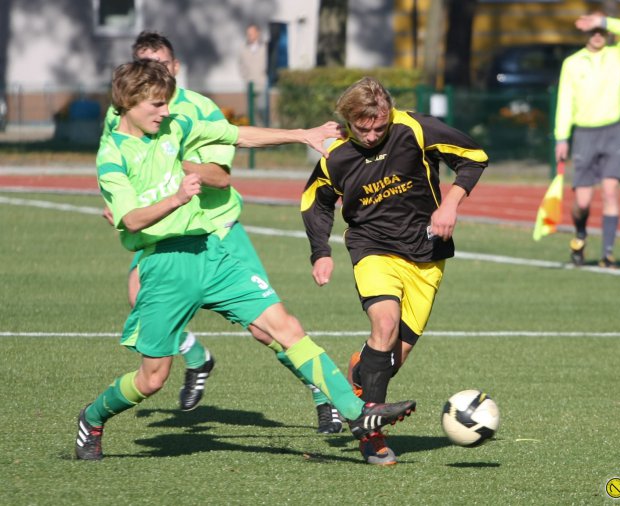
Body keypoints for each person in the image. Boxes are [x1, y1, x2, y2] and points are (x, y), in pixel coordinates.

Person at [74, 60, 416, 461]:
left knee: (286, 328)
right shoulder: (112, 154)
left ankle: (357, 414)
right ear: (129, 101)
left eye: (167, 102)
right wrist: (177, 198)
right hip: (165, 266)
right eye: (157, 104)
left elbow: (238, 135)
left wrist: (301, 135)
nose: (166, 111)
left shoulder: (175, 126)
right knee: (152, 378)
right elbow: (130, 219)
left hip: (212, 252)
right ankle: (92, 418)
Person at [101, 31, 344, 434]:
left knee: (265, 328)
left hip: (216, 228)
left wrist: (173, 166)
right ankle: (197, 358)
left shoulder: (197, 109)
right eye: (144, 64)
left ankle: (322, 394)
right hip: (166, 234)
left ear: (175, 66)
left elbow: (221, 177)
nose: (154, 71)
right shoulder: (124, 113)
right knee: (135, 294)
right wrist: (119, 202)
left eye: (160, 63)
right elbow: (120, 166)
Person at [300, 77, 488, 465]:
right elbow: (315, 201)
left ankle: (353, 381)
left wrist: (450, 204)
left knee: (389, 361)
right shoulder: (336, 156)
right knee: (383, 325)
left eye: (379, 128)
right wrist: (321, 252)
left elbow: (474, 156)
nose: (371, 136)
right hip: (372, 247)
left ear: (390, 114)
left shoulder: (415, 128)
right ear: (348, 120)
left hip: (426, 255)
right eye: (362, 129)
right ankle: (371, 436)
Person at [554, 12, 620, 268]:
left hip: (613, 132)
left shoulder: (618, 55)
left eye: (601, 31)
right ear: (585, 35)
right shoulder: (572, 63)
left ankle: (607, 254)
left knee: (611, 192)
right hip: (584, 134)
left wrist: (602, 21)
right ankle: (580, 234)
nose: (598, 35)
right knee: (582, 202)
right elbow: (565, 101)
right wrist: (561, 137)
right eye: (593, 31)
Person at [238, 23, 268, 125]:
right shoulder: (243, 49)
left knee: (262, 108)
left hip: (262, 82)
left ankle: (265, 129)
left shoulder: (265, 48)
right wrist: (245, 77)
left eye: (252, 33)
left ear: (257, 33)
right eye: (248, 34)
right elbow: (241, 65)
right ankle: (255, 130)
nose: (250, 36)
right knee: (252, 111)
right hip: (249, 83)